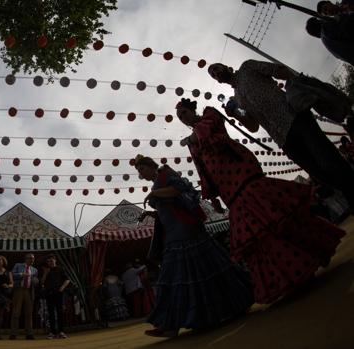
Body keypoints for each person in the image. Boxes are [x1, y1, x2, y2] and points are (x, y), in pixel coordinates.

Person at [175, 98, 346, 304]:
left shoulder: (209, 115)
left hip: (241, 172)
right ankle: (288, 277)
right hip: (227, 188)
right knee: (257, 234)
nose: (183, 119)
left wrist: (195, 137)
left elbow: (217, 141)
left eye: (184, 113)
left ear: (192, 110)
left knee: (274, 217)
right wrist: (213, 197)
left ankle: (314, 251)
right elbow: (202, 170)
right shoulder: (192, 141)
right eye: (179, 117)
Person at [134, 155, 254, 337]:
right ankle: (171, 324)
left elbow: (178, 190)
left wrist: (154, 194)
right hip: (174, 232)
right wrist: (151, 214)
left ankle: (173, 324)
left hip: (185, 229)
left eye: (142, 169)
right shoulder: (157, 182)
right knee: (180, 275)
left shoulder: (166, 173)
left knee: (186, 272)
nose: (141, 173)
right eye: (139, 171)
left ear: (151, 166)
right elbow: (169, 208)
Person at [208, 61, 354, 209]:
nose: (216, 73)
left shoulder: (247, 67)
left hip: (295, 117)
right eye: (213, 75)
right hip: (283, 139)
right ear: (218, 81)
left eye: (216, 68)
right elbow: (253, 127)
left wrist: (297, 86)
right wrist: (236, 116)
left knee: (328, 159)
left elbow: (278, 70)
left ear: (226, 66)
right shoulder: (237, 99)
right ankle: (349, 191)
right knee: (318, 173)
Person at [41, 254, 70, 340]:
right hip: (49, 294)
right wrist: (46, 273)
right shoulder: (46, 270)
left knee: (60, 312)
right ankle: (52, 333)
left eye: (51, 260)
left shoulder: (60, 268)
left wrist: (62, 287)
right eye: (48, 261)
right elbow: (42, 282)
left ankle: (61, 331)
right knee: (51, 314)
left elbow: (67, 279)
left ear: (55, 260)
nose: (50, 262)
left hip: (58, 293)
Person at [10, 253, 38, 340]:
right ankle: (13, 334)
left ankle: (29, 334)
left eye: (33, 259)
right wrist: (21, 274)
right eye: (30, 258)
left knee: (29, 313)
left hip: (29, 291)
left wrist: (36, 281)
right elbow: (12, 274)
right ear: (26, 259)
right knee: (16, 312)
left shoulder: (34, 270)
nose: (32, 260)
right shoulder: (18, 265)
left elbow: (35, 281)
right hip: (19, 290)